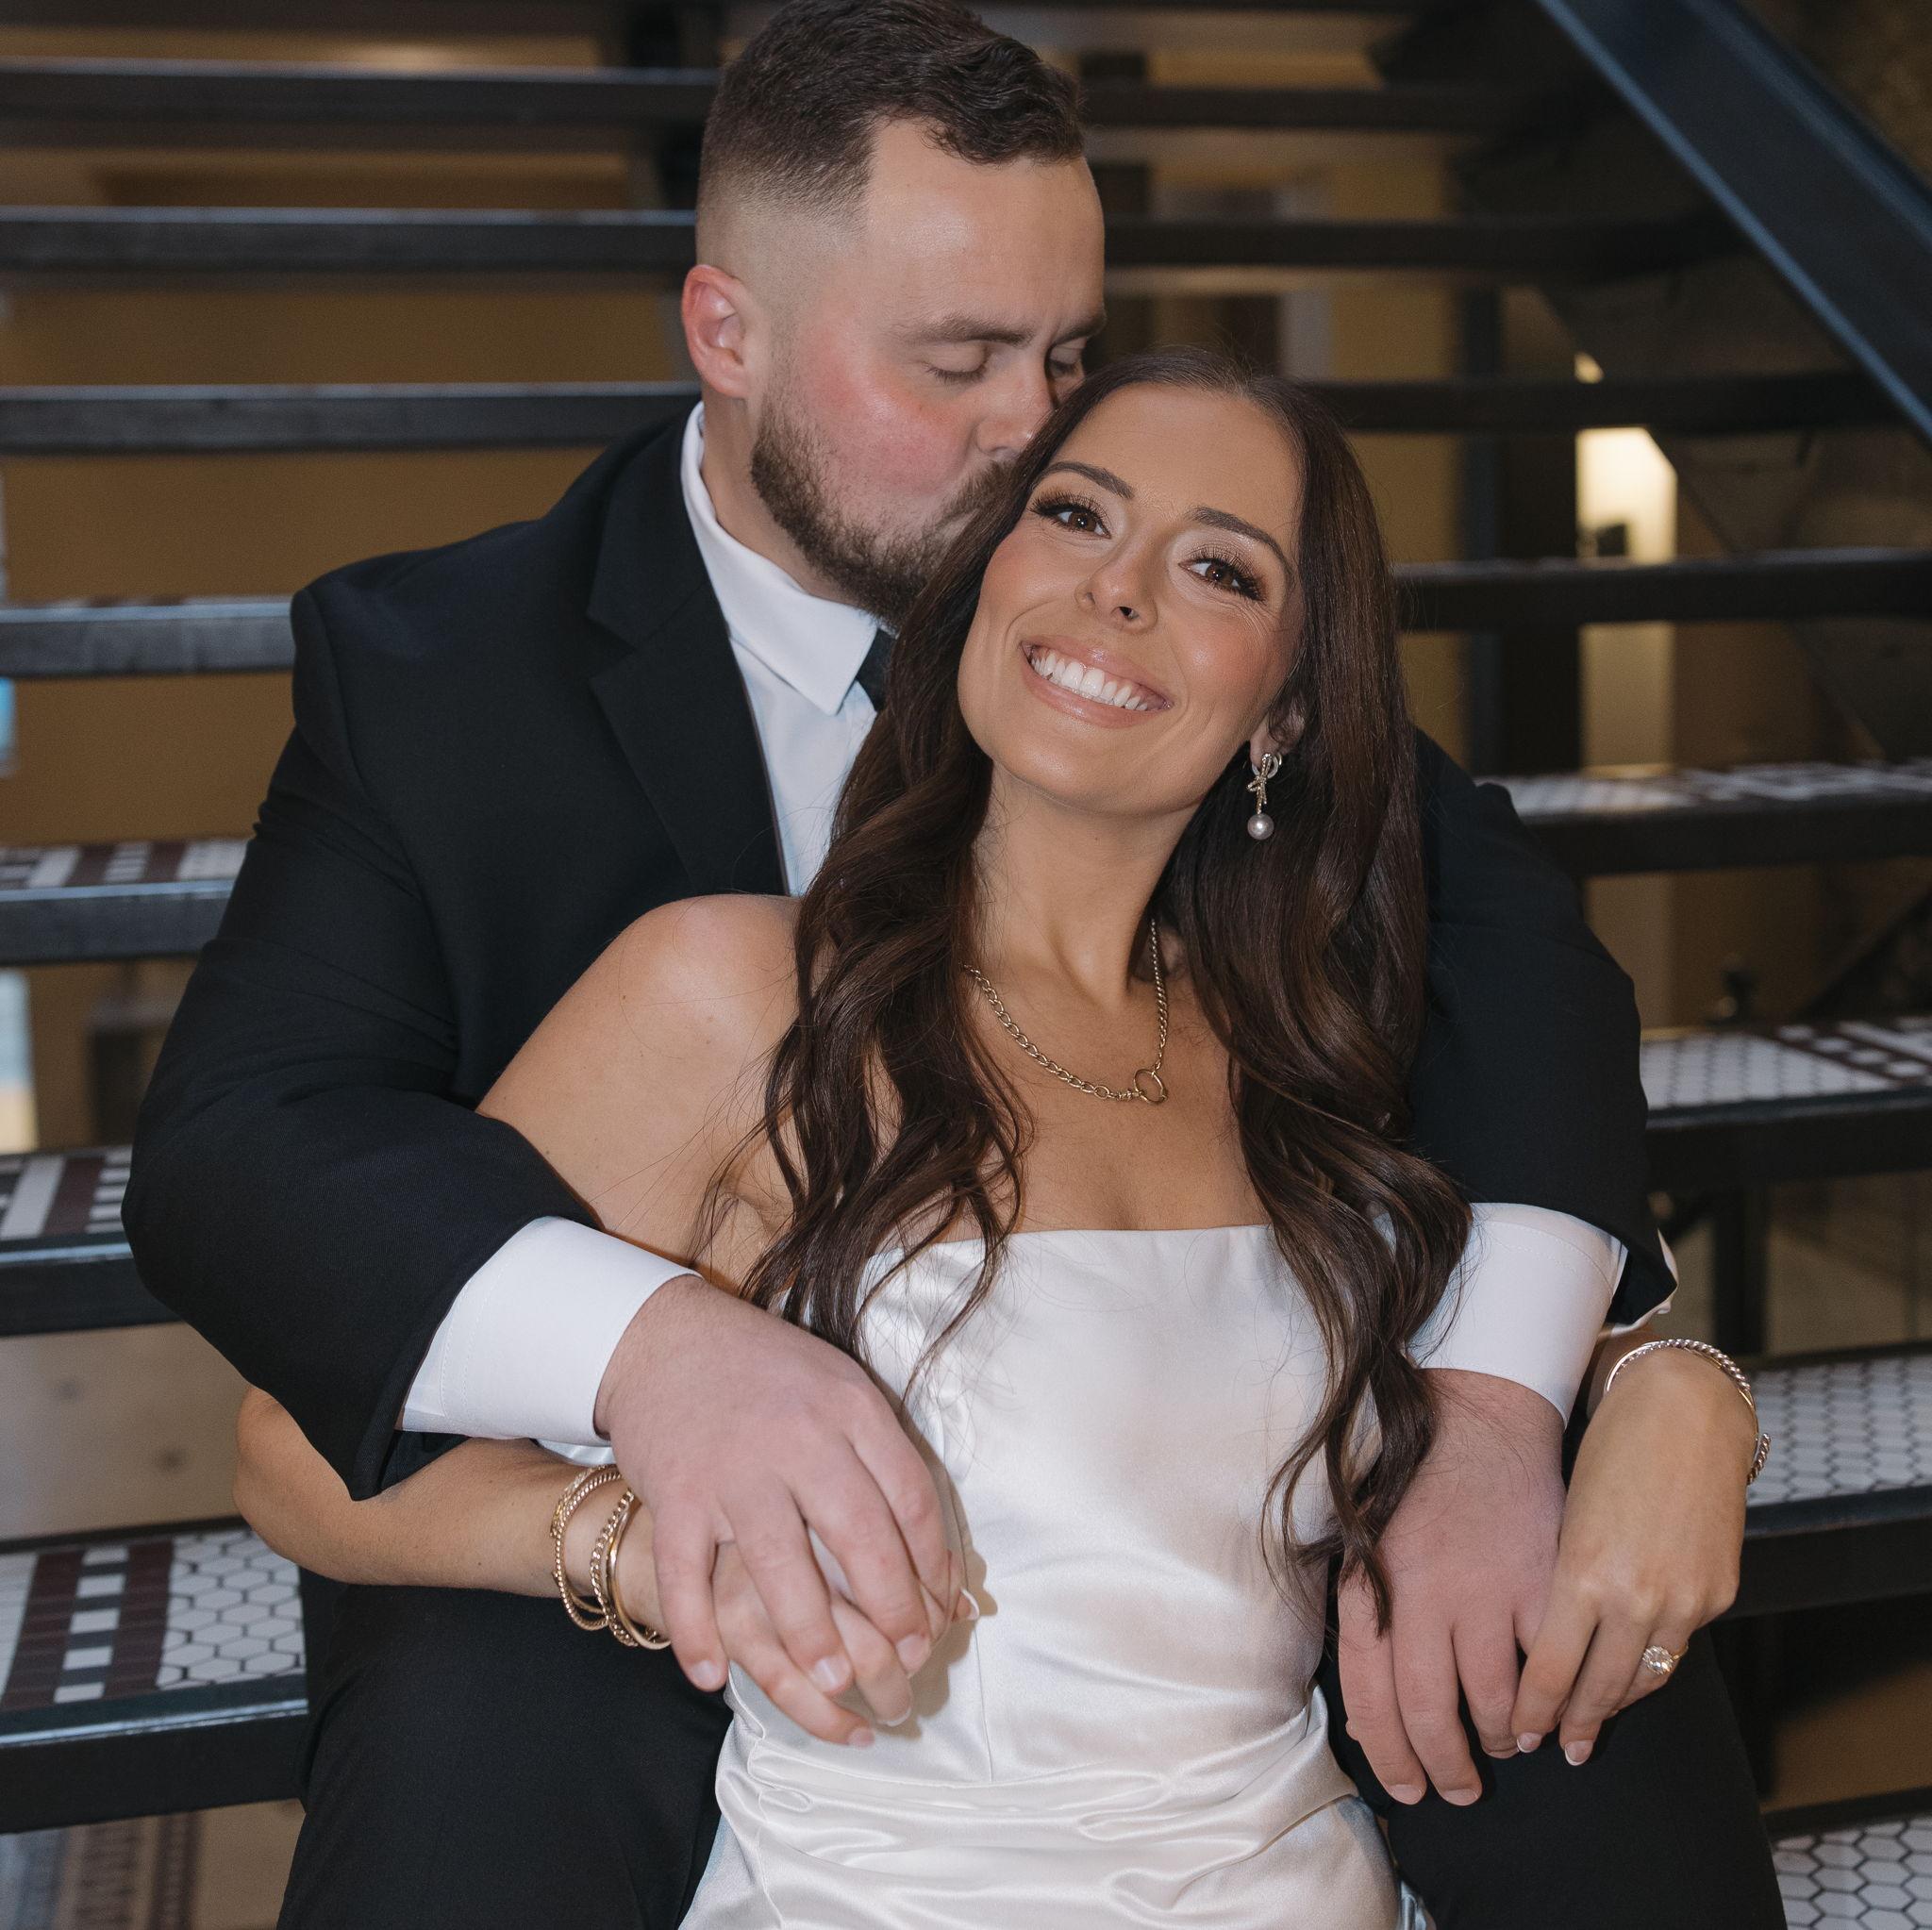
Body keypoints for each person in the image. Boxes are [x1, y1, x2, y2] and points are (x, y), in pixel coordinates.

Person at [124, 3, 1779, 1925]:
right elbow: (249, 1153)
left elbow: (1509, 961)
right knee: (476, 1746)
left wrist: (1603, 1390)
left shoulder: (1139, 667)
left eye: (1065, 356)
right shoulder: (444, 683)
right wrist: (653, 1366)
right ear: (727, 332)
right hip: (609, 1537)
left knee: (1561, 1676)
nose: (1034, 428)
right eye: (960, 360)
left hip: (1192, 1641)